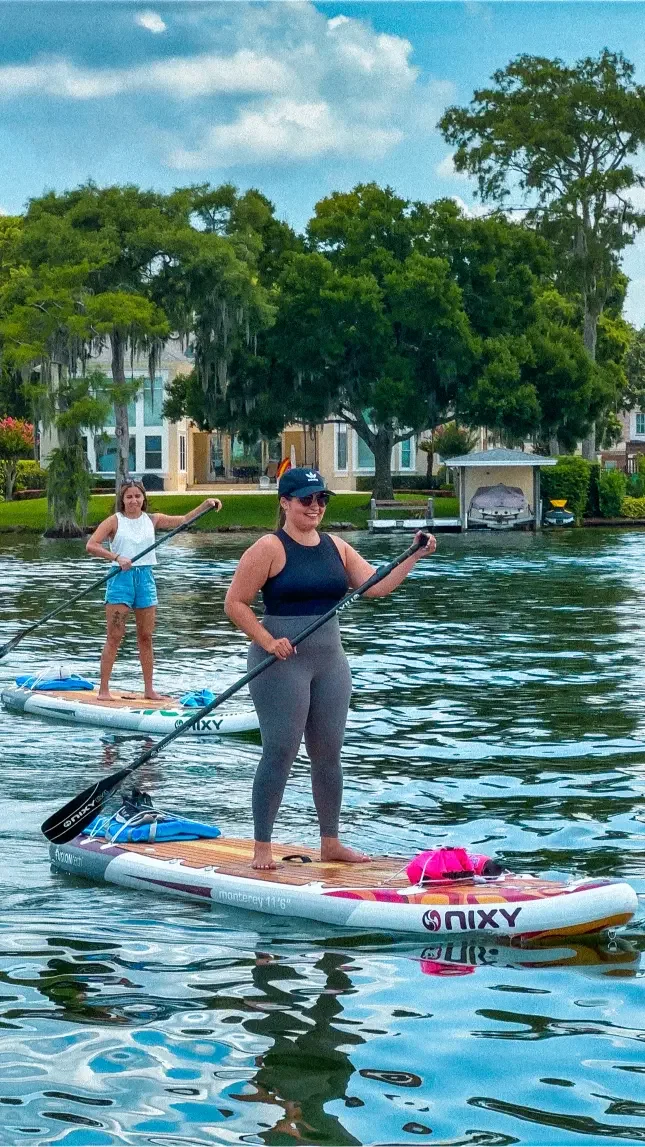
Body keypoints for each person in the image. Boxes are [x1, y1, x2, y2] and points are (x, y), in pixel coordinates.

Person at [224, 466, 436, 870]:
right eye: (306, 499)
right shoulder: (269, 548)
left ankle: (331, 842)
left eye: (321, 499)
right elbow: (234, 603)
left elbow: (376, 585)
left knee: (328, 754)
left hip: (330, 663)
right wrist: (267, 640)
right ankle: (262, 847)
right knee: (280, 751)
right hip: (280, 662)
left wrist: (414, 555)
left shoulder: (336, 546)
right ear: (285, 502)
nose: (315, 506)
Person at [86, 481, 221, 701]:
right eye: (129, 497)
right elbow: (92, 545)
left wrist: (205, 504)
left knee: (146, 636)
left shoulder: (152, 519)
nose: (134, 501)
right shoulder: (114, 521)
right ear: (122, 500)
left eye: (137, 496)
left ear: (143, 499)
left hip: (145, 578)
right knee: (115, 635)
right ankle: (104, 691)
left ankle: (149, 690)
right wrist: (117, 557)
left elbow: (184, 520)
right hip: (121, 578)